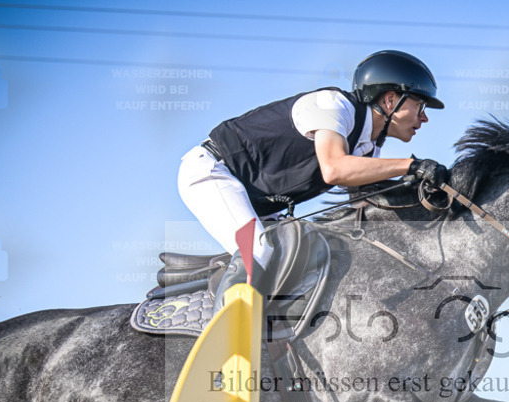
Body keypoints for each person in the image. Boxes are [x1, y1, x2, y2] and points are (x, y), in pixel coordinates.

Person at [177, 50, 449, 294]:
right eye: (420, 106)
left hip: (257, 201)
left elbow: (367, 206)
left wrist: (423, 190)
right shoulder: (334, 106)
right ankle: (230, 346)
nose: (424, 117)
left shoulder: (368, 146)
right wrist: (411, 166)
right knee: (257, 252)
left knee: (311, 262)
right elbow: (334, 169)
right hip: (214, 172)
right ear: (391, 100)